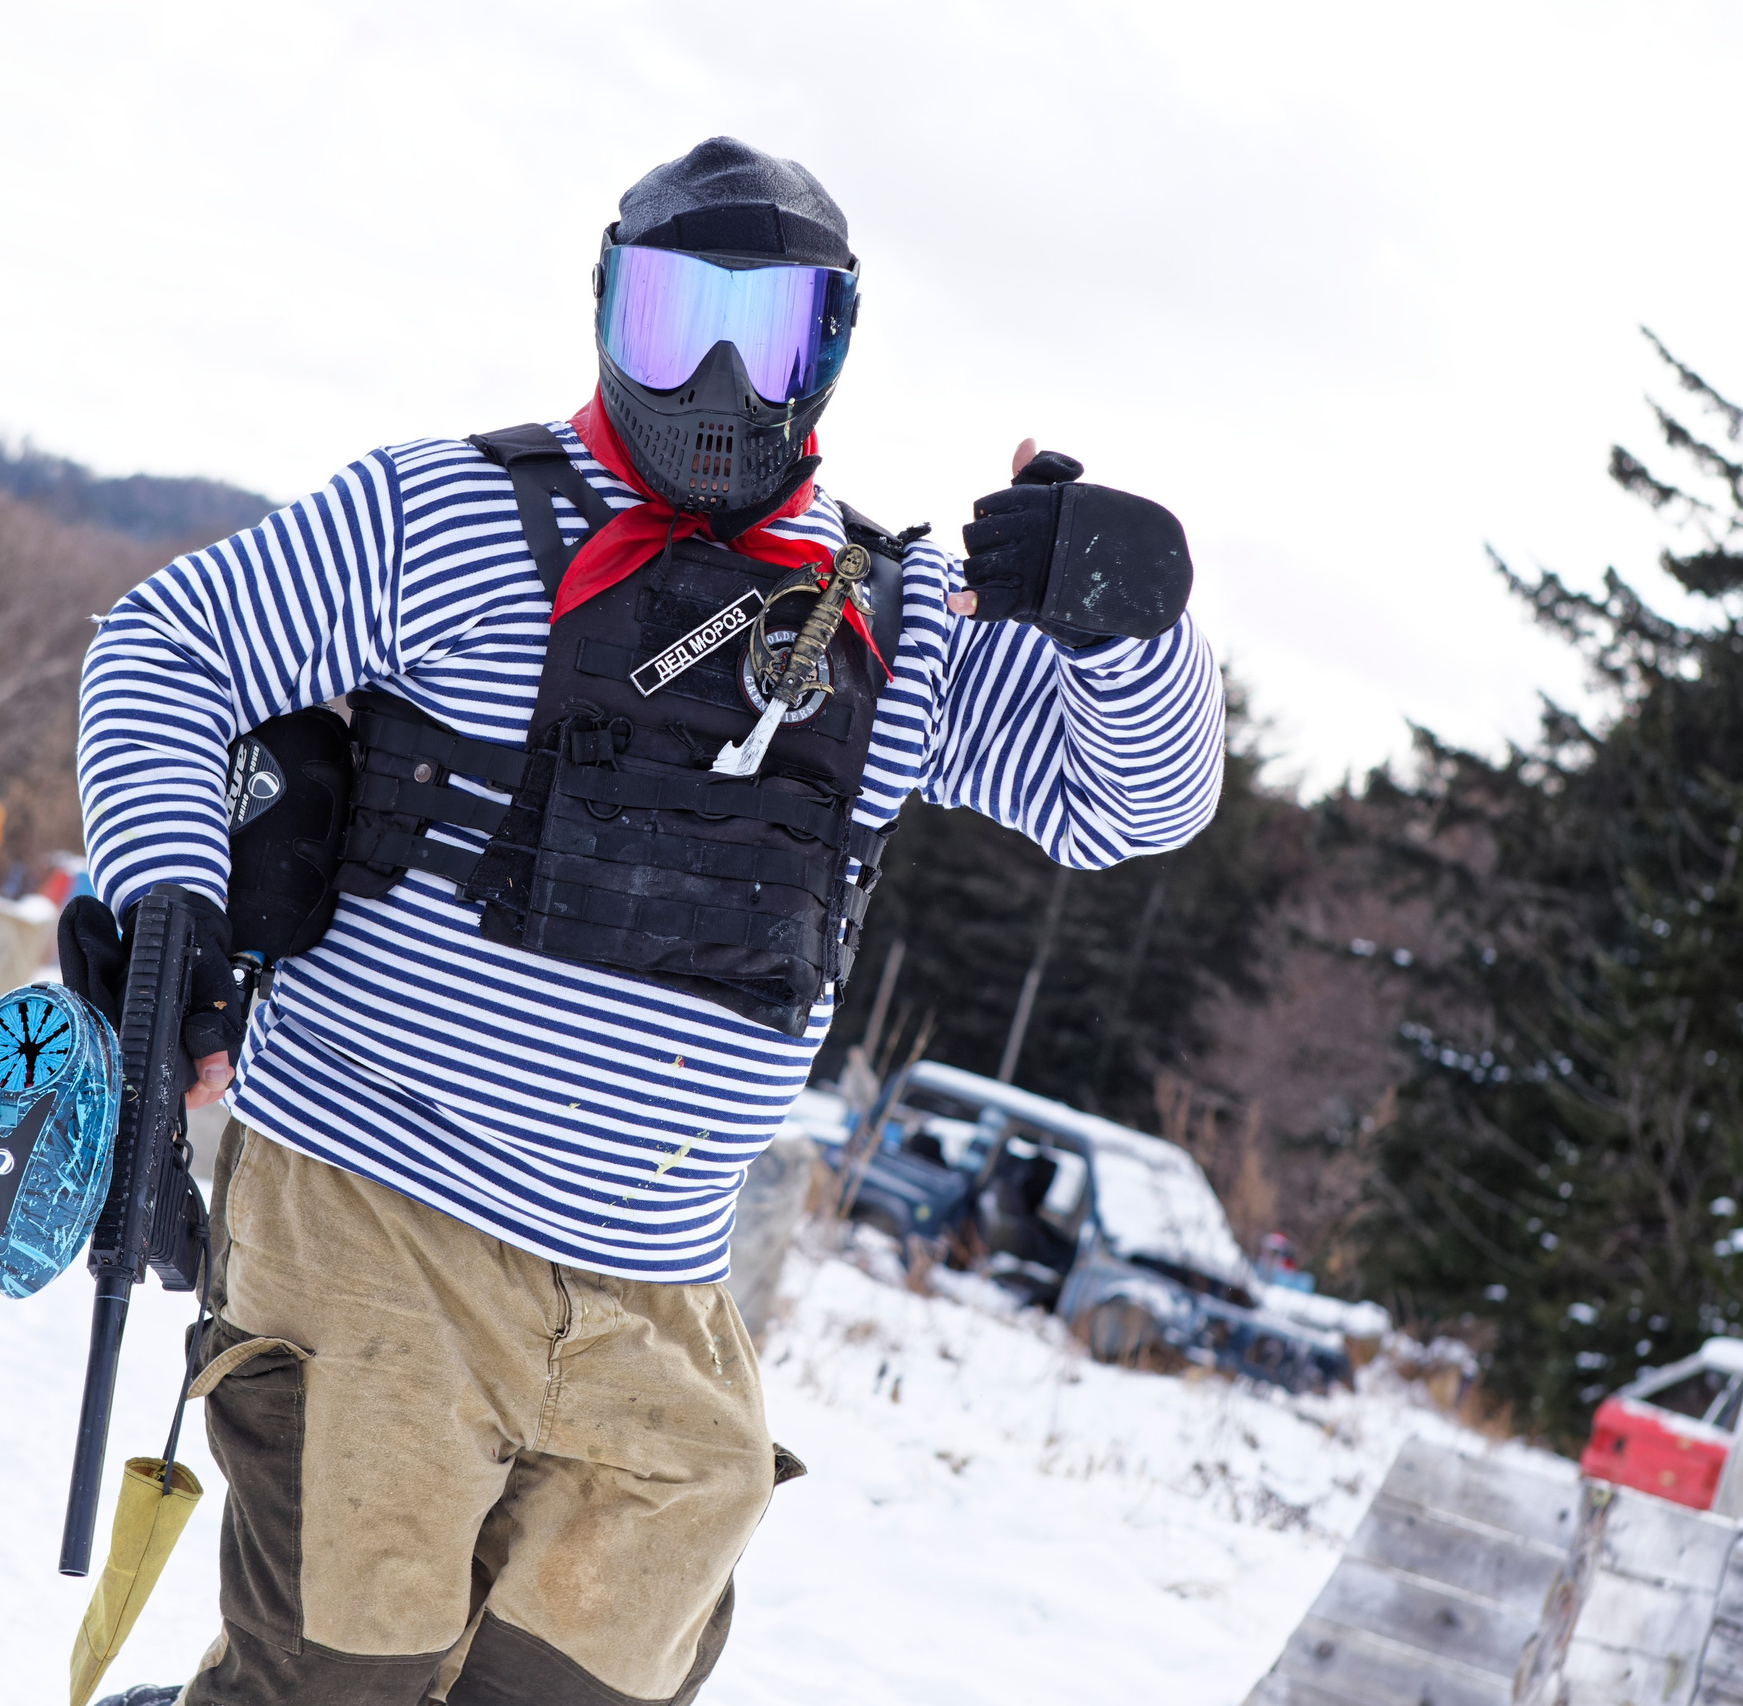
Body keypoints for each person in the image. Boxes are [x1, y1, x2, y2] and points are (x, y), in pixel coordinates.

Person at [72, 138, 1223, 1706]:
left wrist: (1130, 627)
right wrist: (166, 893)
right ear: (611, 310)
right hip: (377, 1226)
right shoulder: (451, 517)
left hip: (657, 1298)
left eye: (777, 327)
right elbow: (170, 643)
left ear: (836, 345)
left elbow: (1127, 805)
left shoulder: (894, 621)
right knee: (336, 1677)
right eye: (684, 318)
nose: (727, 377)